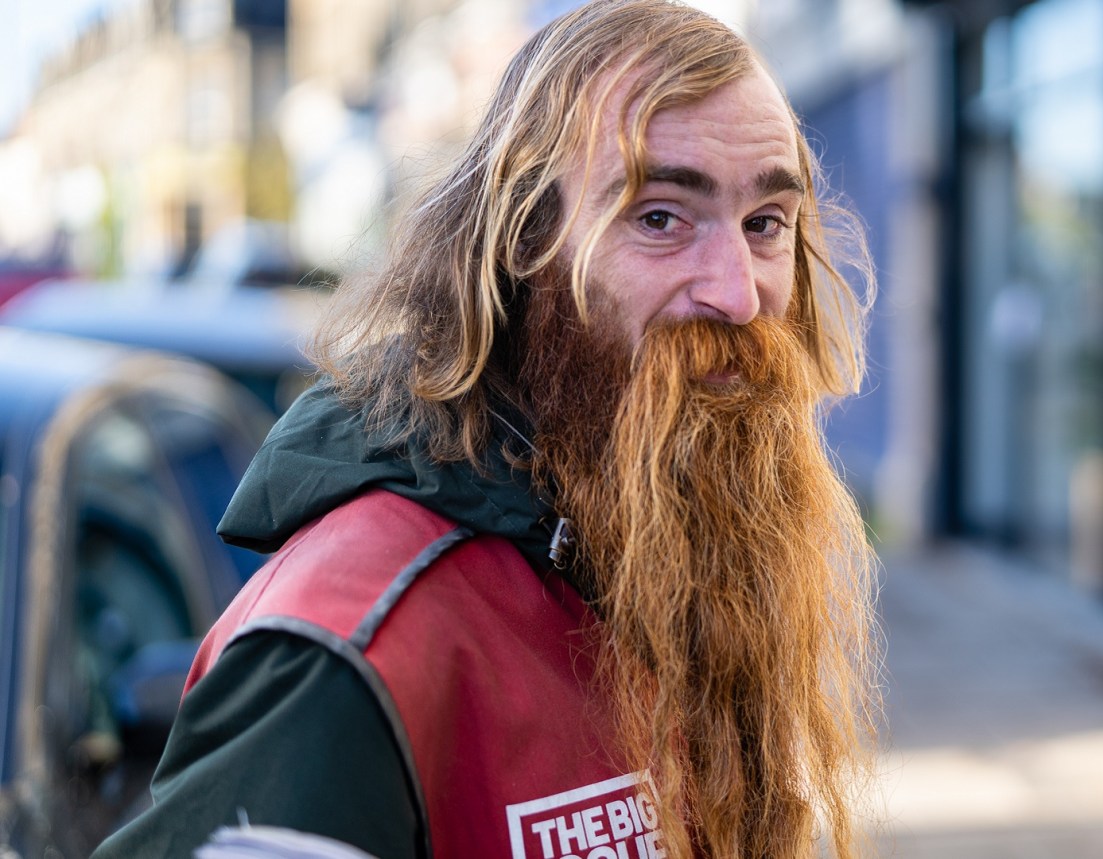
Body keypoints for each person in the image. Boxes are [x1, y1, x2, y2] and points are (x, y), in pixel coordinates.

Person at [92, 1, 880, 857]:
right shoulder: (351, 652)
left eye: (765, 224)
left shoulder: (660, 548)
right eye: (659, 217)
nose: (737, 292)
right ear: (520, 246)